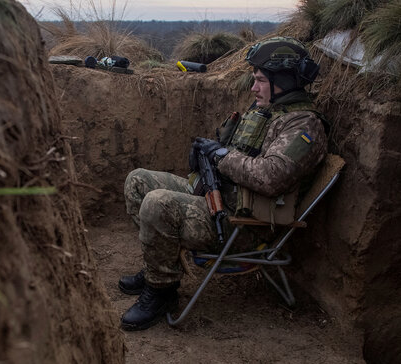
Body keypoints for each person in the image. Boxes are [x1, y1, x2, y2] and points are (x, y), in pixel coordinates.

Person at [119, 37, 329, 331]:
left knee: (157, 203)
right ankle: (160, 265)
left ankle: (161, 291)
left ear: (283, 79)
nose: (253, 87)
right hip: (216, 198)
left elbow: (271, 176)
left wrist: (221, 155)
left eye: (259, 80)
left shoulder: (303, 126)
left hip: (241, 225)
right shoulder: (265, 113)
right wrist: (206, 152)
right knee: (137, 180)